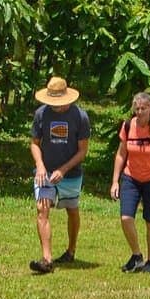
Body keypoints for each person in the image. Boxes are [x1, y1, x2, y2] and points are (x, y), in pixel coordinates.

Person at [29, 76, 91, 274]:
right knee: (42, 209)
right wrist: (40, 165)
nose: (55, 106)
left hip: (71, 174)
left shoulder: (80, 117)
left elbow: (83, 151)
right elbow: (34, 143)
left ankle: (71, 250)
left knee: (72, 210)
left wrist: (63, 170)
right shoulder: (41, 114)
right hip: (45, 172)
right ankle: (46, 259)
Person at [110, 91, 150, 273]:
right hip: (131, 178)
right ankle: (136, 255)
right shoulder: (128, 126)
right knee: (126, 218)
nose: (139, 112)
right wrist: (115, 181)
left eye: (143, 109)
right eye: (136, 109)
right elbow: (121, 154)